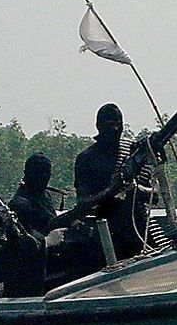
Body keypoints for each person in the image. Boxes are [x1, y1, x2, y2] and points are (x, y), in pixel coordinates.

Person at [73, 103, 150, 260]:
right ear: (98, 126)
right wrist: (110, 192)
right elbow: (82, 203)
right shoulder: (87, 158)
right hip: (108, 232)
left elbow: (153, 195)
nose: (115, 129)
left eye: (118, 124)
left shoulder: (132, 151)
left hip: (141, 228)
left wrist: (137, 190)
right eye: (110, 125)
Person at [8, 152, 56, 236]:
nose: (45, 178)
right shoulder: (22, 203)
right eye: (41, 174)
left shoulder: (45, 195)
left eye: (47, 173)